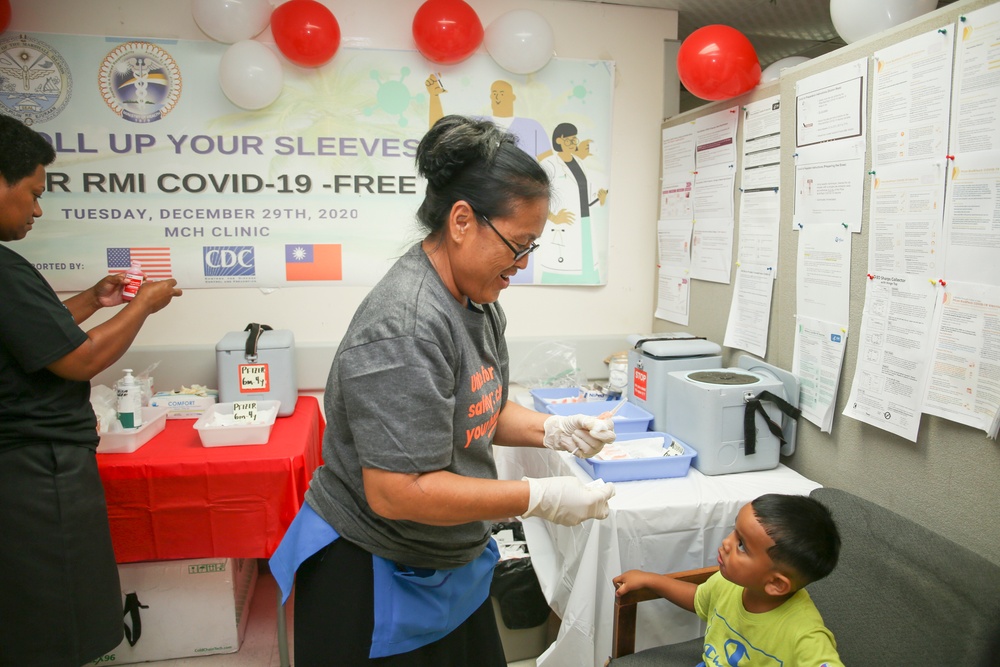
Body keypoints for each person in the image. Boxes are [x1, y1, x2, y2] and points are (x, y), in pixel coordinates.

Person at [269, 115, 618, 666]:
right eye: (518, 245)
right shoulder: (405, 325)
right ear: (461, 221)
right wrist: (540, 498)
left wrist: (553, 430)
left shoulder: (477, 300)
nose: (521, 266)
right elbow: (398, 490)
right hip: (371, 568)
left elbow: (481, 406)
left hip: (444, 556)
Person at [0, 114, 182, 667]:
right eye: (32, 193)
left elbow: (35, 335)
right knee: (57, 616)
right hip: (35, 473)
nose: (37, 210)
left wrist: (91, 300)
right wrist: (141, 306)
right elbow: (81, 359)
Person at [613, 493, 844, 667]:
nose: (726, 542)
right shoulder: (728, 583)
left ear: (776, 584)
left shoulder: (804, 633)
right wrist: (651, 580)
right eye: (734, 531)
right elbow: (699, 599)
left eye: (741, 545)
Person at [538, 122, 608, 284]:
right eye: (568, 140)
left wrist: (600, 198)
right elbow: (535, 198)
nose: (572, 144)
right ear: (559, 141)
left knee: (586, 264)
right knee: (561, 266)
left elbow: (586, 194)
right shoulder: (549, 164)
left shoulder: (579, 162)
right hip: (562, 225)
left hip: (583, 222)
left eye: (574, 140)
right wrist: (553, 217)